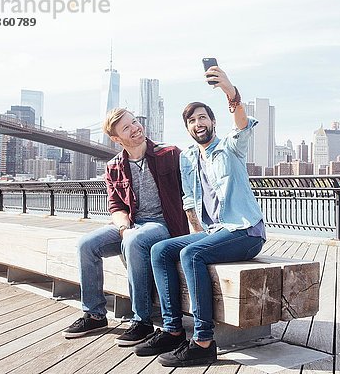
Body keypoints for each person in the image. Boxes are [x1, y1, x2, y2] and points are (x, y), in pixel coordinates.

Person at [132, 66, 266, 366]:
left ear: (213, 122)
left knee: (192, 255)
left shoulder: (230, 148)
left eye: (202, 117)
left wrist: (230, 92)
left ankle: (203, 340)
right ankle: (173, 330)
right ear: (188, 128)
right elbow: (190, 200)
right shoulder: (189, 158)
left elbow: (242, 125)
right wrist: (198, 231)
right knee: (160, 250)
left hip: (245, 231)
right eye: (191, 120)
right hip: (214, 231)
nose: (198, 123)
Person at [61, 108, 189, 346]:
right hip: (133, 224)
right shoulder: (114, 166)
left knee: (134, 241)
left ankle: (142, 321)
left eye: (135, 122)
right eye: (127, 128)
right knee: (86, 245)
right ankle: (95, 314)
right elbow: (117, 207)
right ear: (116, 138)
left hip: (164, 225)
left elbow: (193, 191)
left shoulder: (170, 154)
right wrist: (124, 228)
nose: (136, 128)